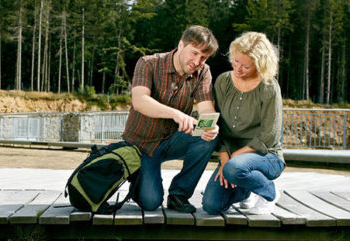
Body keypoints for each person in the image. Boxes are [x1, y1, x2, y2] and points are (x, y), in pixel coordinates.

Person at [122, 25, 220, 213]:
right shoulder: (148, 63)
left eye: (203, 57)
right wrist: (177, 114)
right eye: (194, 53)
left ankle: (178, 195)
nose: (197, 61)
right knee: (151, 202)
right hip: (141, 145)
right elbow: (140, 101)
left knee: (208, 136)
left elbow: (206, 108)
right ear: (181, 45)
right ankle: (139, 177)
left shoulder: (203, 72)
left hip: (172, 140)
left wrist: (211, 126)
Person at [201, 31, 285, 215]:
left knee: (234, 168)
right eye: (236, 61)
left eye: (246, 66)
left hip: (266, 156)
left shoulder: (269, 87)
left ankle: (269, 193)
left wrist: (234, 158)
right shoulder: (223, 81)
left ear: (260, 65)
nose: (238, 69)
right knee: (211, 206)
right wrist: (224, 157)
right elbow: (218, 124)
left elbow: (269, 136)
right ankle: (247, 190)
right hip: (232, 160)